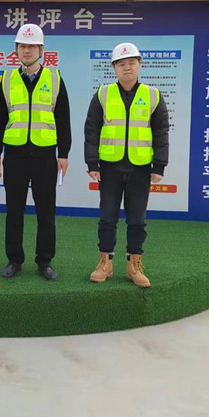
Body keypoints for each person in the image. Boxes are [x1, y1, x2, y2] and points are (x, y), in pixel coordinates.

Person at [83, 42, 169, 288]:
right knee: (107, 217)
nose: (127, 67)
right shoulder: (103, 94)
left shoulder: (153, 95)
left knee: (137, 220)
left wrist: (159, 165)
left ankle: (134, 265)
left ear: (139, 65)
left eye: (131, 62)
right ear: (114, 68)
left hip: (140, 168)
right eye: (121, 64)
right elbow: (92, 130)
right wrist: (92, 163)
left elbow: (161, 132)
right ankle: (105, 264)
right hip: (109, 167)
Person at [0, 24, 71, 281]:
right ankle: (14, 259)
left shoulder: (54, 79)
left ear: (41, 49)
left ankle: (44, 261)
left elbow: (63, 118)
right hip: (14, 156)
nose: (27, 50)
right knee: (14, 211)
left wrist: (64, 153)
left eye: (32, 46)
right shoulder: (7, 79)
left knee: (46, 212)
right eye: (22, 46)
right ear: (16, 50)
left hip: (45, 156)